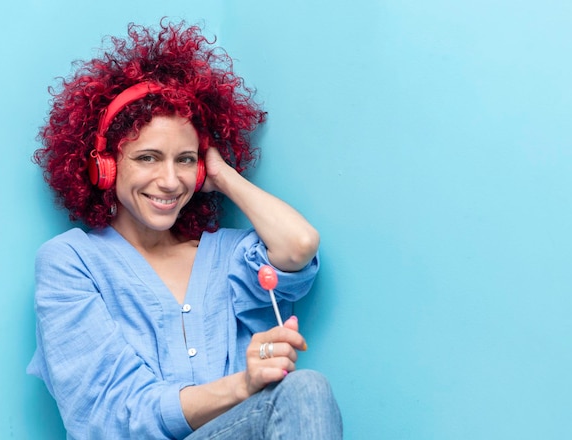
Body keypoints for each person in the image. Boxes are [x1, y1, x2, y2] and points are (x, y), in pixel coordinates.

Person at [27, 19, 342, 439]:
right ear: (104, 167)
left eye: (186, 160)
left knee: (306, 388)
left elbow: (299, 245)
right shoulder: (71, 262)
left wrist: (225, 176)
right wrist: (243, 384)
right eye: (148, 158)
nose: (171, 181)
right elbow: (117, 416)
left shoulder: (226, 255)